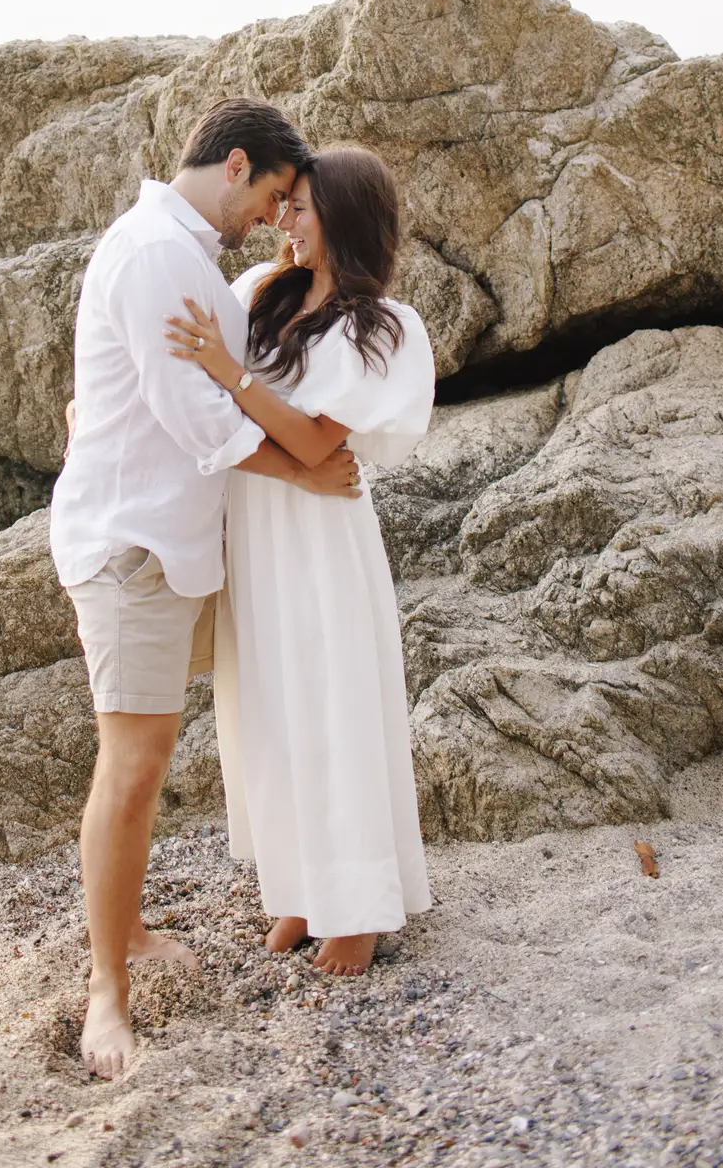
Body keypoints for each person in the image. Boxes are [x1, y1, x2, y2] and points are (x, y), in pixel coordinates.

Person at [51, 99, 365, 1080]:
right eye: (273, 194)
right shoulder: (155, 253)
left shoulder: (188, 257)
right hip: (132, 544)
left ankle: (131, 930)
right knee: (132, 764)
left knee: (144, 757)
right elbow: (194, 417)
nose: (273, 216)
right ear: (235, 165)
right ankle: (107, 990)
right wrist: (305, 470)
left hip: (179, 545)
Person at [166, 143, 435, 976]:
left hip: (321, 534)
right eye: (285, 204)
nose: (284, 218)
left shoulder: (379, 326)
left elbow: (318, 442)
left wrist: (232, 376)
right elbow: (204, 391)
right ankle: (302, 890)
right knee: (271, 707)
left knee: (332, 705)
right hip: (259, 524)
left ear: (343, 218)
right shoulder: (260, 292)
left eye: (302, 207)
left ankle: (359, 907)